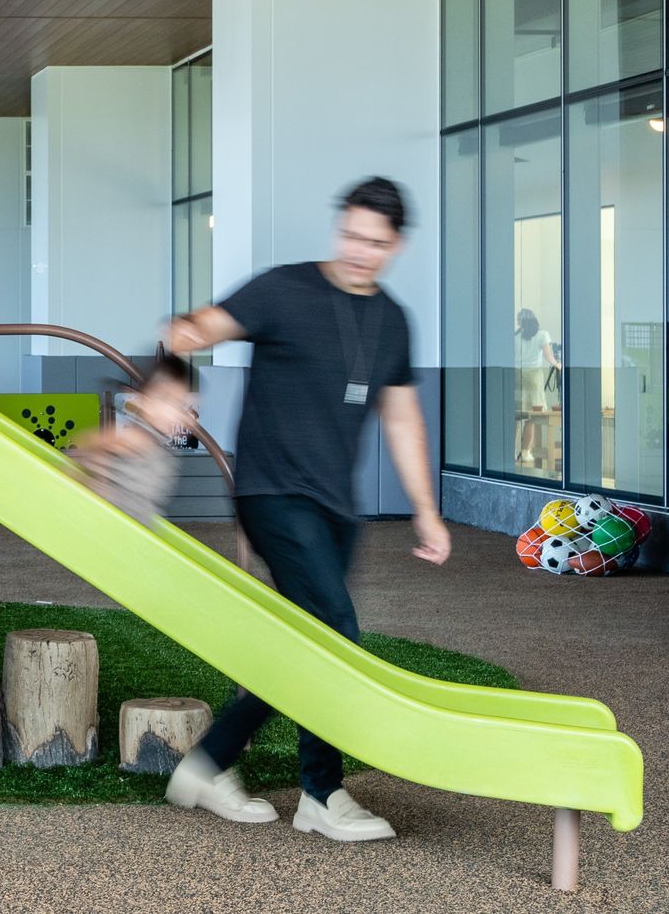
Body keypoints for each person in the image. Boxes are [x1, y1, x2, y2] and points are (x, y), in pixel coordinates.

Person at [159, 177, 451, 843]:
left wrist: (425, 511)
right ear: (338, 227)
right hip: (271, 492)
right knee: (335, 633)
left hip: (336, 508)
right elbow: (195, 328)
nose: (359, 251)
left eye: (375, 243)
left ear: (395, 246)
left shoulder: (392, 320)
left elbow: (402, 418)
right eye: (350, 235)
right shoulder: (282, 289)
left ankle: (209, 763)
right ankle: (321, 793)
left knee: (303, 641)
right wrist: (175, 370)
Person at [71, 352, 194, 524]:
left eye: (180, 404)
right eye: (166, 400)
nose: (173, 412)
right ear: (143, 402)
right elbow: (90, 440)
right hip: (115, 523)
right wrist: (100, 480)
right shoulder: (136, 436)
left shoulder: (159, 441)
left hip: (139, 524)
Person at [514, 308, 562, 466]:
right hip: (534, 376)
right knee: (531, 417)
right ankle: (526, 452)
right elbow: (548, 356)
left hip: (516, 375)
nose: (518, 324)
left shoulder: (515, 336)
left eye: (519, 321)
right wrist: (558, 365)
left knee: (516, 415)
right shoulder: (542, 334)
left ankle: (513, 452)